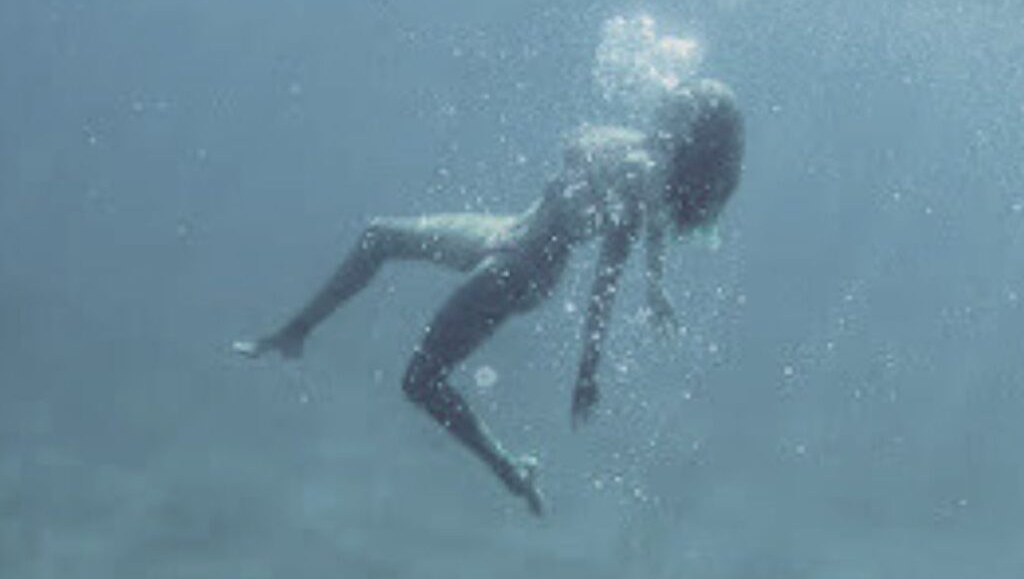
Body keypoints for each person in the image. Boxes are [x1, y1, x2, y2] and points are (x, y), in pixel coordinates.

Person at [234, 78, 744, 515]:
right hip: (508, 231)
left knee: (420, 379)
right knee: (378, 235)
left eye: (686, 97)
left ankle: (510, 469)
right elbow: (651, 228)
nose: (670, 94)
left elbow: (606, 279)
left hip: (520, 269)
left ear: (692, 125)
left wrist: (588, 369)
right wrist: (656, 286)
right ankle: (294, 333)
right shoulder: (647, 162)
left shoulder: (643, 176)